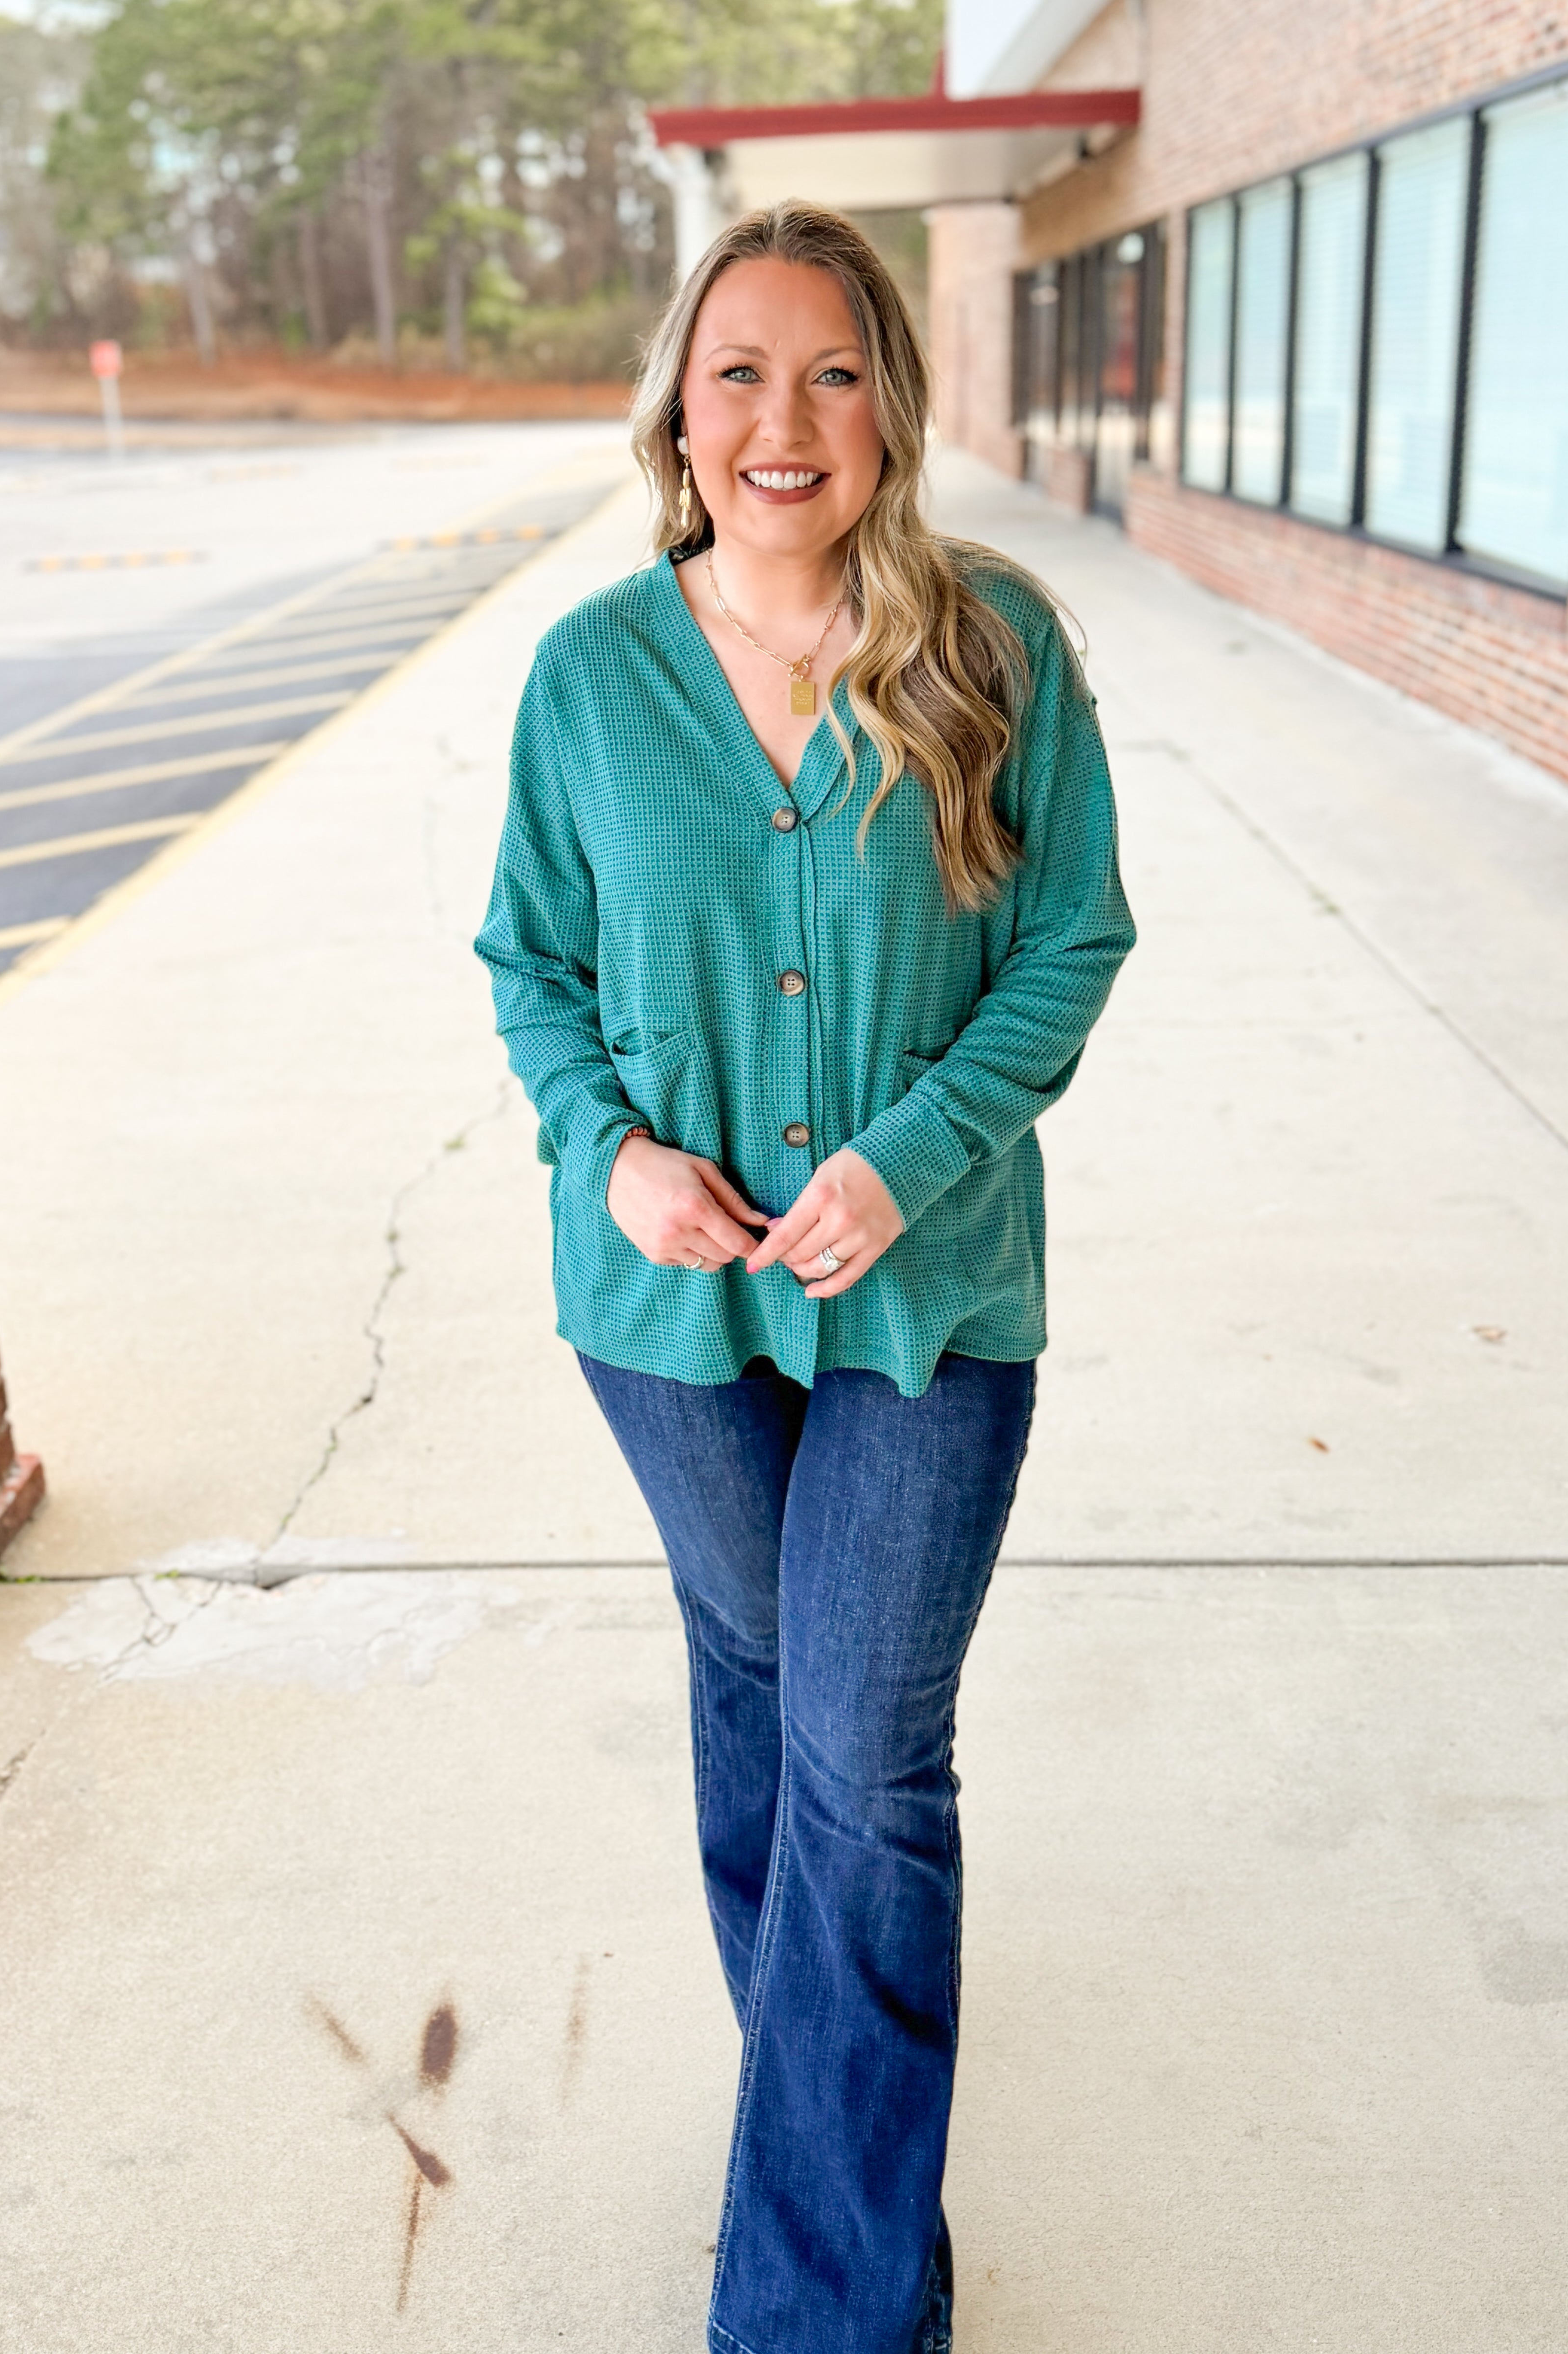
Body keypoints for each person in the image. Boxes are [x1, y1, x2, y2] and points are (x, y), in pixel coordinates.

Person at [476, 200, 1134, 2354]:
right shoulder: (591, 678)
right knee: (762, 1689)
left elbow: (1072, 941)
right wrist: (612, 1152)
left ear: (890, 406)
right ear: (680, 411)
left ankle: (820, 2312)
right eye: (740, 370)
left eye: (833, 369)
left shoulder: (996, 648)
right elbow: (530, 966)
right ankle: (836, 2149)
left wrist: (912, 1154)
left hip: (926, 1310)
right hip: (668, 1320)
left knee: (862, 1753)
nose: (786, 416)